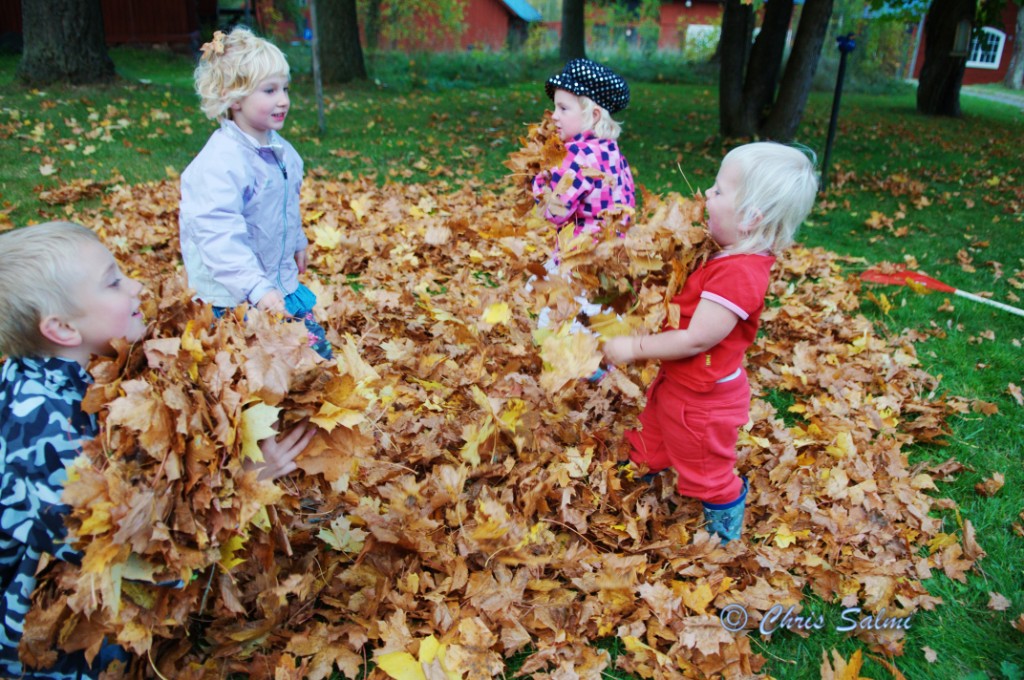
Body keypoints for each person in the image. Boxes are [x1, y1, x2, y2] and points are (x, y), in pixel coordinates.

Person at [0, 222, 315, 678]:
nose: (136, 285)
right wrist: (246, 480)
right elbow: (141, 560)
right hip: (45, 644)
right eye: (113, 282)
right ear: (62, 328)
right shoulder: (41, 435)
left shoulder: (80, 371)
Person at [602, 143, 819, 543]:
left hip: (702, 403)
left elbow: (695, 339)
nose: (707, 195)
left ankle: (724, 527)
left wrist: (633, 348)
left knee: (705, 469)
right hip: (679, 386)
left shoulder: (741, 275)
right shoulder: (723, 253)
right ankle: (644, 471)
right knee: (653, 433)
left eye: (719, 191)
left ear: (751, 217)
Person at [179, 27, 332, 360]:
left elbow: (285, 204)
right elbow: (218, 234)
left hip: (277, 280)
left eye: (285, 88)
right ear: (233, 98)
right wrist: (255, 287)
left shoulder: (281, 150)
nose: (283, 100)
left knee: (316, 353)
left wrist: (297, 240)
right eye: (269, 90)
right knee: (257, 363)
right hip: (234, 293)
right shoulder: (221, 163)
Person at [530, 59, 636, 343]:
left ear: (595, 115)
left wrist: (540, 182)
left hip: (578, 260)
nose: (554, 116)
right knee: (600, 325)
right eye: (556, 107)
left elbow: (556, 212)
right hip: (612, 260)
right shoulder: (613, 153)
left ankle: (565, 373)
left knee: (558, 322)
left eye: (563, 108)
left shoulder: (576, 156)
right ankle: (601, 372)